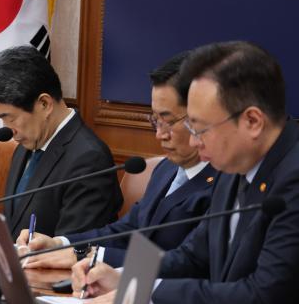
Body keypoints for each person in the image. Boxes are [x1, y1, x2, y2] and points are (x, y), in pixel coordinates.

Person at [72, 41, 299, 304]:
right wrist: (124, 279)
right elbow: (192, 257)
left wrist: (149, 293)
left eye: (201, 129)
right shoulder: (234, 164)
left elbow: (263, 295)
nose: (194, 142)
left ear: (252, 121)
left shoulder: (292, 179)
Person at [17, 52, 217, 268]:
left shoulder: (224, 183)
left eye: (168, 121)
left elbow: (189, 262)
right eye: (155, 120)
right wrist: (60, 243)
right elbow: (128, 230)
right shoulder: (166, 169)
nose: (159, 134)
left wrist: (89, 256)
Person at [0, 46, 122, 239]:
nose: (8, 129)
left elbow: (74, 246)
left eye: (10, 118)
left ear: (44, 104)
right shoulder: (26, 146)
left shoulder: (89, 159)